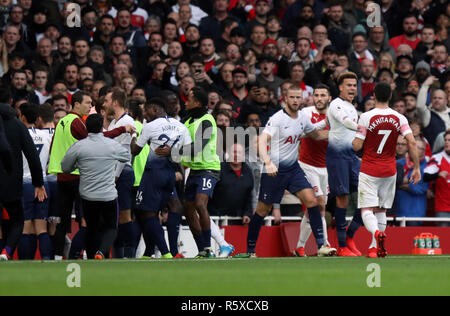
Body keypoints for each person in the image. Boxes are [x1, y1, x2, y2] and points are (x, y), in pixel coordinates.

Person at [234, 86, 336, 258]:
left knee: (313, 201)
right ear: (285, 99)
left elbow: (316, 135)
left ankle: (321, 246)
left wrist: (336, 129)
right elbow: (261, 141)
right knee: (262, 210)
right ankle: (250, 251)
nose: (296, 100)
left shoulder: (303, 116)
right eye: (292, 97)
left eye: (298, 97)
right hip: (274, 170)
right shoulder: (277, 119)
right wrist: (268, 162)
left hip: (293, 169)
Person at [47, 91, 134, 260]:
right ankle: (85, 253)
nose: (90, 106)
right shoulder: (76, 121)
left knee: (62, 221)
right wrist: (122, 129)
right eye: (87, 103)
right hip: (78, 177)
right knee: (87, 222)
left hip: (62, 176)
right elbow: (97, 138)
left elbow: (53, 148)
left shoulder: (62, 122)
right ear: (76, 104)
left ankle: (58, 257)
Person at [353, 82, 421, 258]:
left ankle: (376, 234)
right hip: (390, 170)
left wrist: (351, 136)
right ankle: (374, 248)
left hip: (369, 169)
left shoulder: (366, 117)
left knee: (367, 209)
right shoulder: (400, 118)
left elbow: (357, 145)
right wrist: (417, 168)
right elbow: (412, 142)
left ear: (373, 96)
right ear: (390, 97)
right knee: (382, 210)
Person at [61, 114, 130, 259]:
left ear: (86, 128)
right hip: (108, 195)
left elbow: (65, 167)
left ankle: (93, 256)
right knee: (111, 227)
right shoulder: (111, 145)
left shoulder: (79, 146)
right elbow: (126, 156)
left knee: (91, 228)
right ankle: (101, 252)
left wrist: (77, 164)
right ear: (101, 128)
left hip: (88, 196)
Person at [130, 97, 192, 259]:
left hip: (153, 173)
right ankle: (154, 251)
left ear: (156, 110)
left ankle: (166, 252)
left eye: (147, 110)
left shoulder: (150, 126)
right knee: (175, 207)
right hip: (170, 173)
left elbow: (135, 150)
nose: (145, 113)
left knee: (147, 213)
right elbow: (191, 150)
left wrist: (133, 135)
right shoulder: (181, 126)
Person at [0, 89, 46, 261]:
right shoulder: (17, 125)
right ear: (11, 102)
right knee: (18, 221)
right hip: (11, 181)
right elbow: (32, 156)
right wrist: (38, 183)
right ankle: (6, 251)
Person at [178, 86, 222, 258]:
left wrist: (173, 152)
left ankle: (209, 248)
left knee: (199, 204)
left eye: (188, 99)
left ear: (196, 102)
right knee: (188, 209)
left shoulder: (207, 120)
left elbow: (197, 147)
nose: (185, 101)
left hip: (209, 168)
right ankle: (202, 249)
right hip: (194, 169)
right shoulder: (187, 120)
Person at [326, 72, 363, 257]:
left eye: (354, 85)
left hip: (351, 156)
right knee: (343, 199)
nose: (352, 89)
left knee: (368, 197)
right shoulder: (335, 104)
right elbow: (347, 123)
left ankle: (349, 236)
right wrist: (365, 127)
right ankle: (341, 246)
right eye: (348, 85)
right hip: (337, 157)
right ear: (340, 87)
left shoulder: (351, 107)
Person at [294, 84, 333, 257]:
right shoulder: (306, 113)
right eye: (316, 95)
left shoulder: (336, 115)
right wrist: (325, 126)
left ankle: (300, 246)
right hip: (307, 165)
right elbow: (302, 133)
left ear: (329, 98)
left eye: (323, 95)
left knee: (314, 210)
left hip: (326, 167)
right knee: (319, 204)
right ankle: (324, 243)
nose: (319, 98)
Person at [103, 88, 137, 258]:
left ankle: (129, 254)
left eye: (107, 100)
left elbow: (125, 153)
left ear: (115, 102)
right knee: (115, 216)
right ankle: (118, 255)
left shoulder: (128, 122)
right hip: (113, 172)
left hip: (122, 172)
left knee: (124, 214)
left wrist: (115, 176)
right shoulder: (115, 123)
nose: (104, 104)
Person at [17, 103, 53, 260]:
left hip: (24, 183)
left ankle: (26, 262)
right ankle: (46, 259)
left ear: (22, 117)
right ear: (37, 118)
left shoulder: (19, 135)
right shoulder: (47, 136)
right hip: (43, 183)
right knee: (41, 228)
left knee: (25, 227)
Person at [424, 130, 450, 227]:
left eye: (449, 140)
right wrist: (438, 174)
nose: (446, 142)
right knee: (444, 240)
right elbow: (425, 176)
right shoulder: (437, 158)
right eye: (445, 140)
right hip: (443, 208)